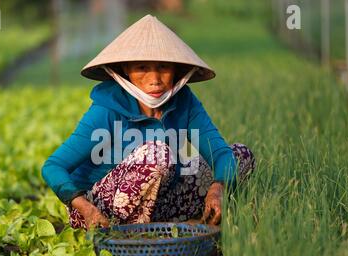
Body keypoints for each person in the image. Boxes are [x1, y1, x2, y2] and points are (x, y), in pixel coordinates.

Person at [41, 15, 255, 229]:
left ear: (176, 69)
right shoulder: (107, 108)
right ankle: (132, 232)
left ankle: (167, 223)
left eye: (163, 67)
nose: (155, 79)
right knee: (157, 153)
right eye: (142, 67)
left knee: (239, 156)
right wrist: (87, 209)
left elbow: (219, 153)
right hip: (100, 211)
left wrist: (218, 188)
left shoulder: (185, 102)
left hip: (160, 200)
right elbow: (53, 166)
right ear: (126, 70)